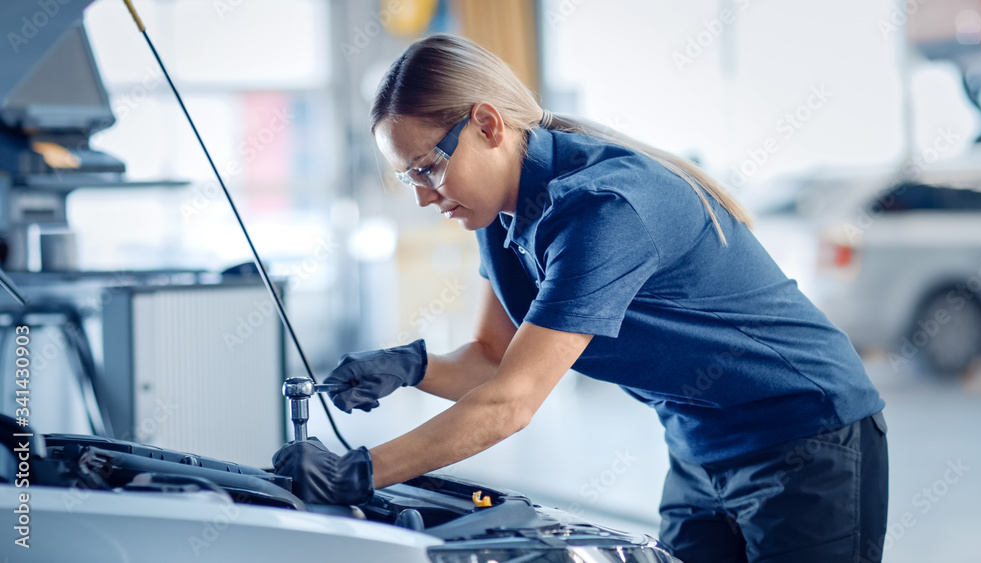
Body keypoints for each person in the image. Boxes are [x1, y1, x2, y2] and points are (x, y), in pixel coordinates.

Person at [272, 33, 889, 563]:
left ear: (487, 124)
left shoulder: (603, 208)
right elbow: (493, 360)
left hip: (807, 438)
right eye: (410, 177)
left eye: (428, 168)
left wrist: (361, 472)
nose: (423, 196)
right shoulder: (500, 216)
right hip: (698, 448)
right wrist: (411, 367)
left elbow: (510, 404)